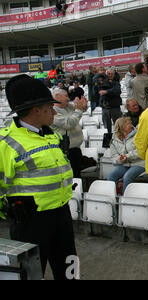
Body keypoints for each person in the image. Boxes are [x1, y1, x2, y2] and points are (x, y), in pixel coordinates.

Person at [0, 74, 76, 280]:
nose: (54, 111)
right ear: (36, 110)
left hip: (61, 215)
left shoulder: (52, 134)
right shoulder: (6, 143)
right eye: (49, 107)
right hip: (30, 222)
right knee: (31, 275)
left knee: (70, 271)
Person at [51, 88, 88, 178]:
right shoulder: (52, 112)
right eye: (66, 96)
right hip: (66, 152)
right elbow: (69, 123)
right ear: (57, 97)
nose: (68, 98)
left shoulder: (68, 106)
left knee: (77, 174)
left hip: (76, 149)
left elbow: (80, 109)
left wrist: (84, 106)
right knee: (72, 176)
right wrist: (79, 110)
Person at [107, 117, 145, 195]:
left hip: (140, 163)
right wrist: (119, 160)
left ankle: (125, 200)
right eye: (128, 123)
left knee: (127, 176)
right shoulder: (114, 139)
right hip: (125, 164)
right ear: (122, 126)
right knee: (111, 176)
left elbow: (141, 152)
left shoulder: (138, 135)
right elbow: (113, 156)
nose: (131, 125)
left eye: (130, 122)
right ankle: (114, 198)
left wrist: (127, 156)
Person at [95, 69, 123, 133]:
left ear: (114, 75)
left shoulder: (116, 82)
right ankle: (108, 140)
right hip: (105, 108)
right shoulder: (101, 82)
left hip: (115, 108)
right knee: (107, 128)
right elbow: (95, 92)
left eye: (111, 74)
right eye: (108, 74)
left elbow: (118, 91)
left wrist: (106, 92)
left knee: (118, 126)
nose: (110, 75)